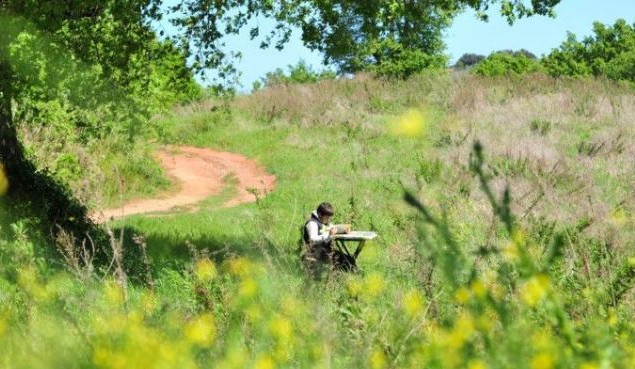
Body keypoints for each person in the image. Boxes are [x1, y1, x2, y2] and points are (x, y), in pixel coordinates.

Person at [300, 202, 355, 277]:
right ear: (320, 214)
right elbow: (313, 240)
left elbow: (329, 229)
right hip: (316, 252)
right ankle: (348, 278)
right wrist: (329, 235)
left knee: (349, 260)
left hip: (325, 250)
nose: (328, 219)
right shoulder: (312, 224)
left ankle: (349, 277)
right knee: (346, 261)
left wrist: (343, 229)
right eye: (327, 217)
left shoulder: (321, 221)